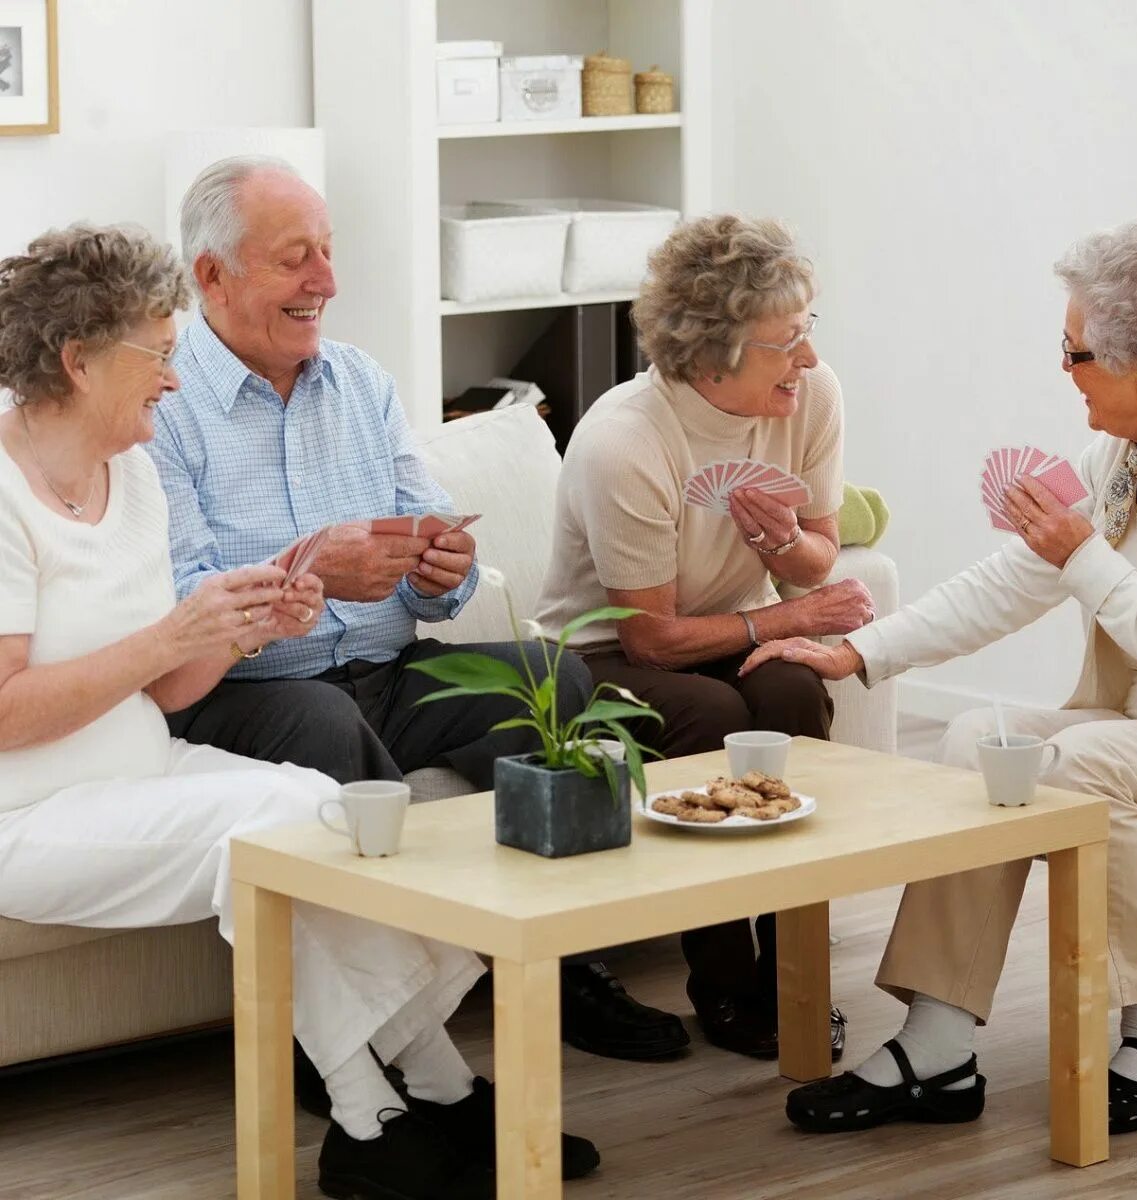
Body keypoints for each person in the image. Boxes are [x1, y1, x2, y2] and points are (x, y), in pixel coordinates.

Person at [0, 223, 599, 1199]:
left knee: (327, 815)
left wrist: (239, 628)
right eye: (157, 354)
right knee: (268, 822)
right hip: (28, 813)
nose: (173, 378)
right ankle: (377, 1117)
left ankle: (428, 1098)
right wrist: (170, 637)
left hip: (143, 770)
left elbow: (165, 691)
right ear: (78, 360)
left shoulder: (134, 473)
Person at [148, 155, 686, 1069]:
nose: (326, 281)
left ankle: (568, 967)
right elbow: (178, 598)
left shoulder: (359, 383)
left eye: (328, 251)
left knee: (554, 679)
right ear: (212, 275)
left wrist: (442, 569)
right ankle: (376, 1041)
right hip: (246, 689)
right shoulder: (164, 403)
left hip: (385, 674)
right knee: (323, 721)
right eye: (295, 259)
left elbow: (431, 557)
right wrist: (316, 569)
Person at [747, 219, 1137, 1136]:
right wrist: (859, 653)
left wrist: (1089, 562)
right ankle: (940, 1042)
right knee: (971, 744)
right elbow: (1008, 584)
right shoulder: (1121, 464)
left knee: (1077, 766)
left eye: (1074, 354)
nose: (1063, 370)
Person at [536, 214, 874, 1058]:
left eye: (807, 331)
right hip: (601, 655)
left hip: (728, 624)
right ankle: (722, 981)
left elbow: (815, 562)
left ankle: (789, 978)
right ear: (714, 352)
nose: (805, 358)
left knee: (791, 689)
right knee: (711, 712)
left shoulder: (812, 395)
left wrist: (784, 548)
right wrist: (789, 616)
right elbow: (648, 639)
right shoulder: (627, 439)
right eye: (784, 342)